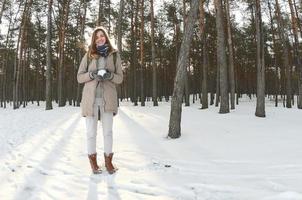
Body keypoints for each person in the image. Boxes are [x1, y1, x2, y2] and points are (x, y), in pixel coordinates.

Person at [77, 27, 123, 174]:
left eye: (102, 36)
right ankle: (93, 163)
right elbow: (79, 77)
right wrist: (92, 74)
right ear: (94, 40)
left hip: (107, 100)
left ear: (106, 37)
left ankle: (108, 162)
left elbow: (120, 78)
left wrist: (109, 76)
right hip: (90, 101)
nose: (100, 39)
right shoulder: (89, 55)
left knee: (108, 132)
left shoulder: (114, 55)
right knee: (91, 133)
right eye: (97, 37)